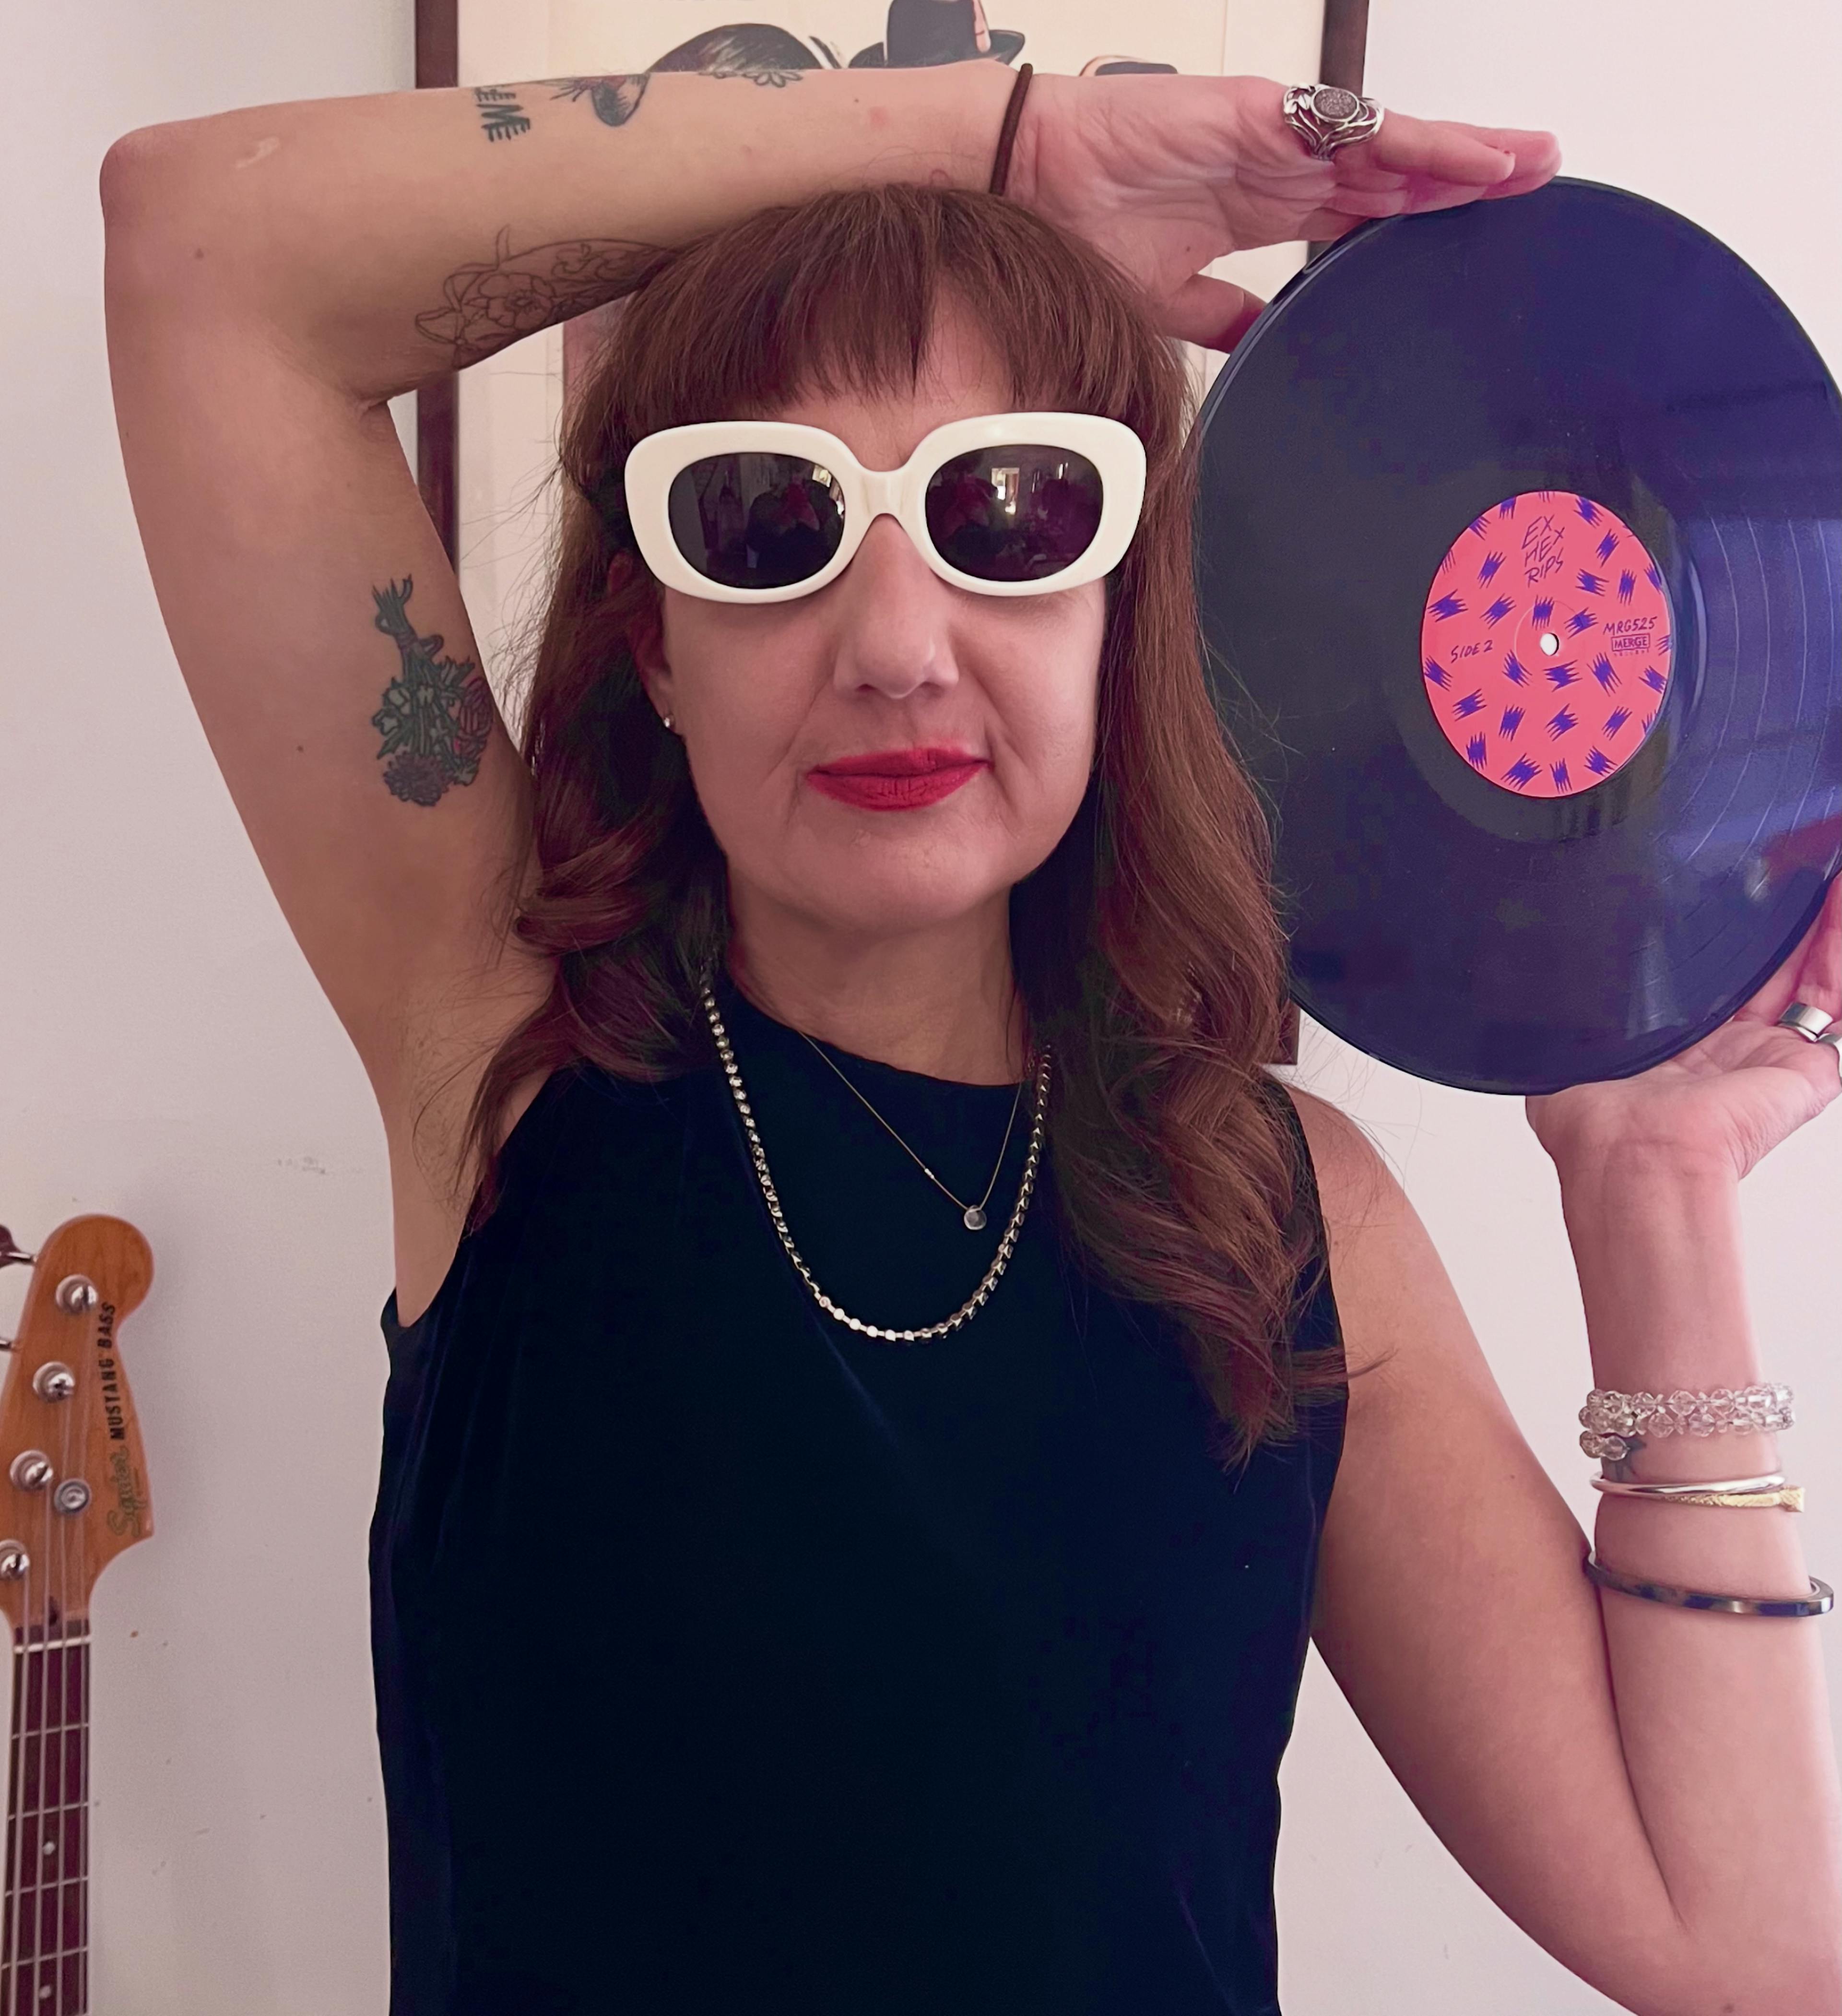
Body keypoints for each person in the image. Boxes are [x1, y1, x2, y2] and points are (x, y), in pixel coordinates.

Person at [97, 60, 1840, 2015]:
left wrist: (1656, 1180)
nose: (900, 640)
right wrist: (1002, 155)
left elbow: (1744, 1943)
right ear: (654, 648)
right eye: (766, 518)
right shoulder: (500, 1063)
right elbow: (201, 250)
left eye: (1013, 509)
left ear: (1122, 601)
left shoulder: (1287, 1221)